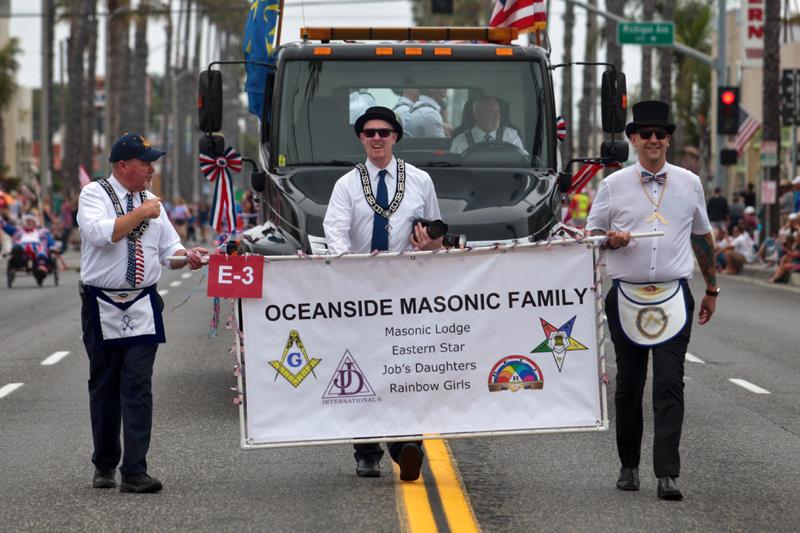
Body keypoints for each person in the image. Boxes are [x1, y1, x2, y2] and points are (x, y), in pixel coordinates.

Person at [586, 100, 718, 501]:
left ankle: (668, 473)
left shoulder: (689, 183)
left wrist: (712, 288)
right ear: (633, 139)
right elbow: (591, 236)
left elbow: (701, 236)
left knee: (668, 383)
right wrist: (611, 239)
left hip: (674, 296)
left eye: (661, 134)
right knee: (628, 385)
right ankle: (629, 465)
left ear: (668, 139)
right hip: (626, 296)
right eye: (646, 134)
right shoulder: (613, 186)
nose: (654, 140)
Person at [77, 133, 209, 493]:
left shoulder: (152, 202)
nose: (152, 169)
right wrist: (141, 213)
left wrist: (189, 257)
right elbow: (102, 234)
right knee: (105, 386)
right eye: (145, 162)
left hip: (142, 302)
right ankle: (104, 462)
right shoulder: (95, 194)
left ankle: (134, 470)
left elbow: (169, 249)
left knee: (137, 385)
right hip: (101, 301)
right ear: (123, 166)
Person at [323, 107, 443, 481]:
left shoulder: (420, 180)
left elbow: (435, 236)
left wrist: (430, 243)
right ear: (361, 138)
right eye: (369, 132)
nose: (377, 138)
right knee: (363, 369)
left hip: (407, 289)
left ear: (396, 137)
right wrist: (348, 270)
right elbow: (336, 234)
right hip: (361, 290)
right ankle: (367, 451)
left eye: (384, 132)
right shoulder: (346, 185)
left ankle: (407, 444)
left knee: (405, 364)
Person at [449, 95, 525, 154]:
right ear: (477, 114)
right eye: (492, 111)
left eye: (498, 111)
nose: (497, 116)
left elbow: (522, 160)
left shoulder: (511, 136)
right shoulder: (461, 140)